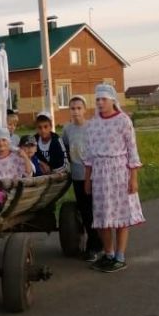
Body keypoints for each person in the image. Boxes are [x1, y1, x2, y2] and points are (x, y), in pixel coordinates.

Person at [83, 83, 144, 272]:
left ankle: (120, 256)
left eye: (103, 99)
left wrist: (133, 178)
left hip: (119, 171)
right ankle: (108, 254)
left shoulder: (123, 121)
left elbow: (132, 151)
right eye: (98, 100)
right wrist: (88, 179)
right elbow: (89, 154)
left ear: (112, 100)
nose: (100, 103)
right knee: (102, 216)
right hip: (100, 173)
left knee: (120, 215)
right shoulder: (92, 124)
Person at [61, 95, 103, 260]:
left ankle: (96, 245)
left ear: (85, 110)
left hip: (94, 176)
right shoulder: (67, 129)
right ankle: (93, 244)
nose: (76, 111)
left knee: (95, 211)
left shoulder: (92, 127)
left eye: (79, 108)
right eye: (73, 108)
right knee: (85, 212)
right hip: (78, 176)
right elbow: (65, 148)